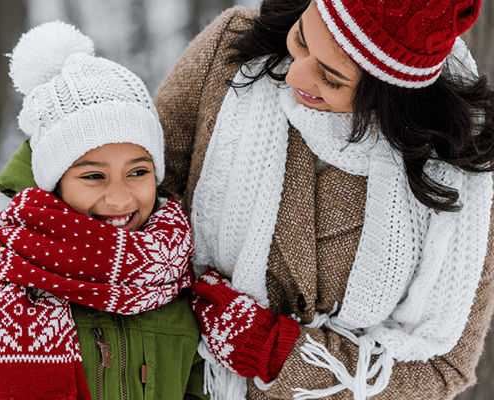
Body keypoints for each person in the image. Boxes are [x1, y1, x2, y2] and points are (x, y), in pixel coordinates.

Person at [154, 0, 494, 399]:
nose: (293, 74)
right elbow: (140, 190)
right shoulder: (233, 49)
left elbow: (444, 366)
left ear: (388, 94)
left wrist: (278, 354)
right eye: (300, 39)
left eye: (331, 78)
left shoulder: (458, 167)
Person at [0, 22, 207, 400]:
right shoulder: (0, 300)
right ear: (54, 184)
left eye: (138, 172)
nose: (119, 199)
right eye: (94, 176)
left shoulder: (181, 287)